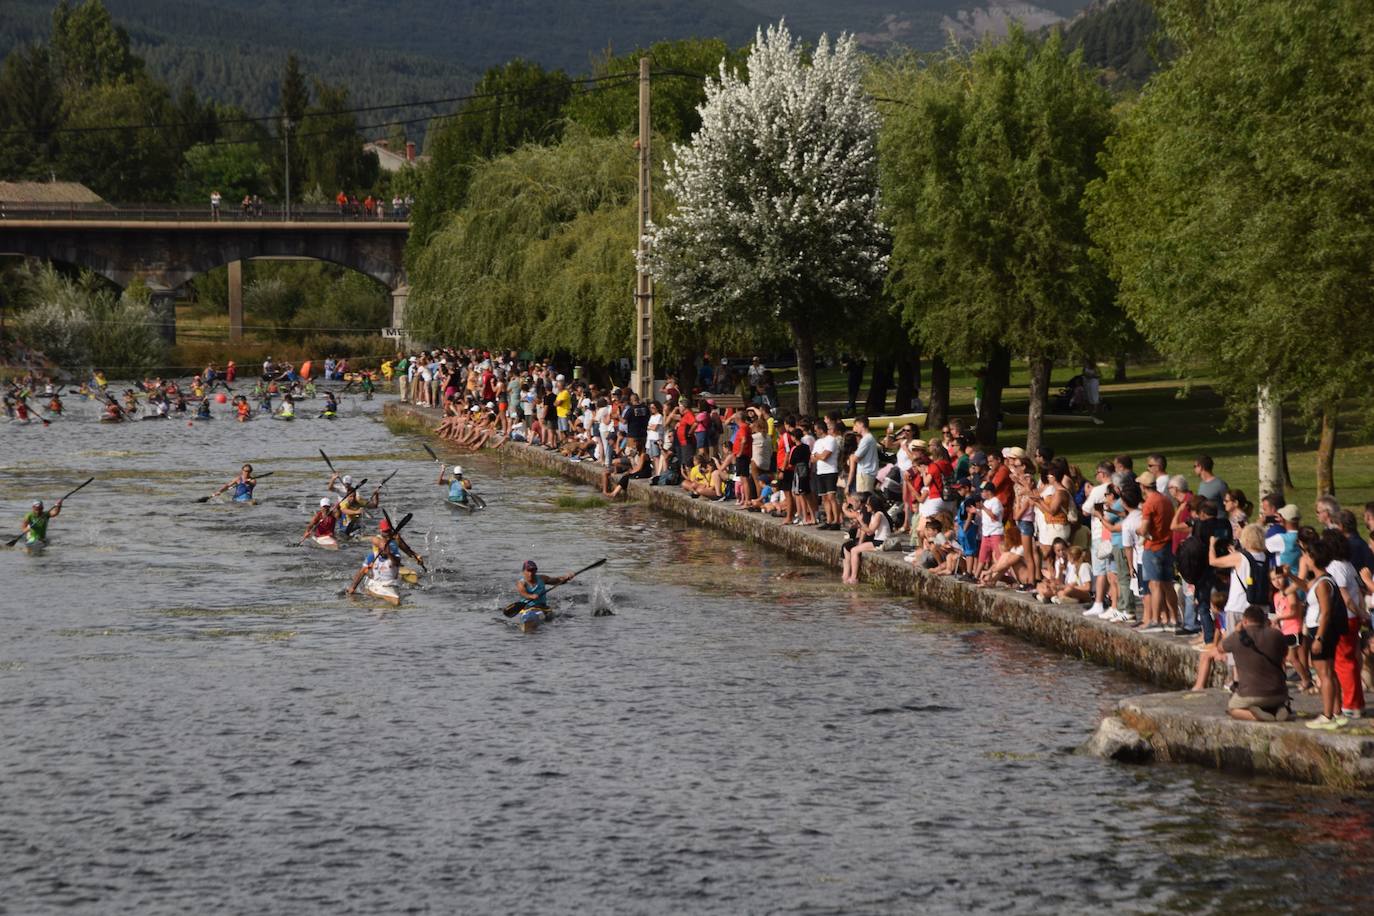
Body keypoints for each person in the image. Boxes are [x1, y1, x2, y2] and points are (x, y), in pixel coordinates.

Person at [1217, 604, 1293, 721]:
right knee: (1271, 702)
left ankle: (1256, 716)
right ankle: (1279, 709)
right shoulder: (1276, 635)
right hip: (1279, 693)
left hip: (1250, 693)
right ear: (1264, 619)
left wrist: (1236, 631)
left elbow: (1220, 648)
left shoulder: (1237, 637)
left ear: (1244, 621)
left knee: (1232, 709)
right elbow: (1285, 653)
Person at [346, 535, 401, 605]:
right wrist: (352, 587)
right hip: (376, 584)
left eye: (387, 548)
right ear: (378, 548)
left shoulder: (395, 556)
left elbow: (397, 562)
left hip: (391, 584)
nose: (385, 550)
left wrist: (389, 553)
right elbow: (362, 572)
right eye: (383, 548)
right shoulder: (372, 556)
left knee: (395, 600)